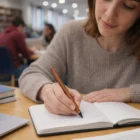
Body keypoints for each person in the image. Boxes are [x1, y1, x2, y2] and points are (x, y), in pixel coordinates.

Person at [19, 0, 140, 116]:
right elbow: (30, 74)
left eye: (128, 5)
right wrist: (46, 91)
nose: (110, 14)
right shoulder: (72, 32)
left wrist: (129, 92)